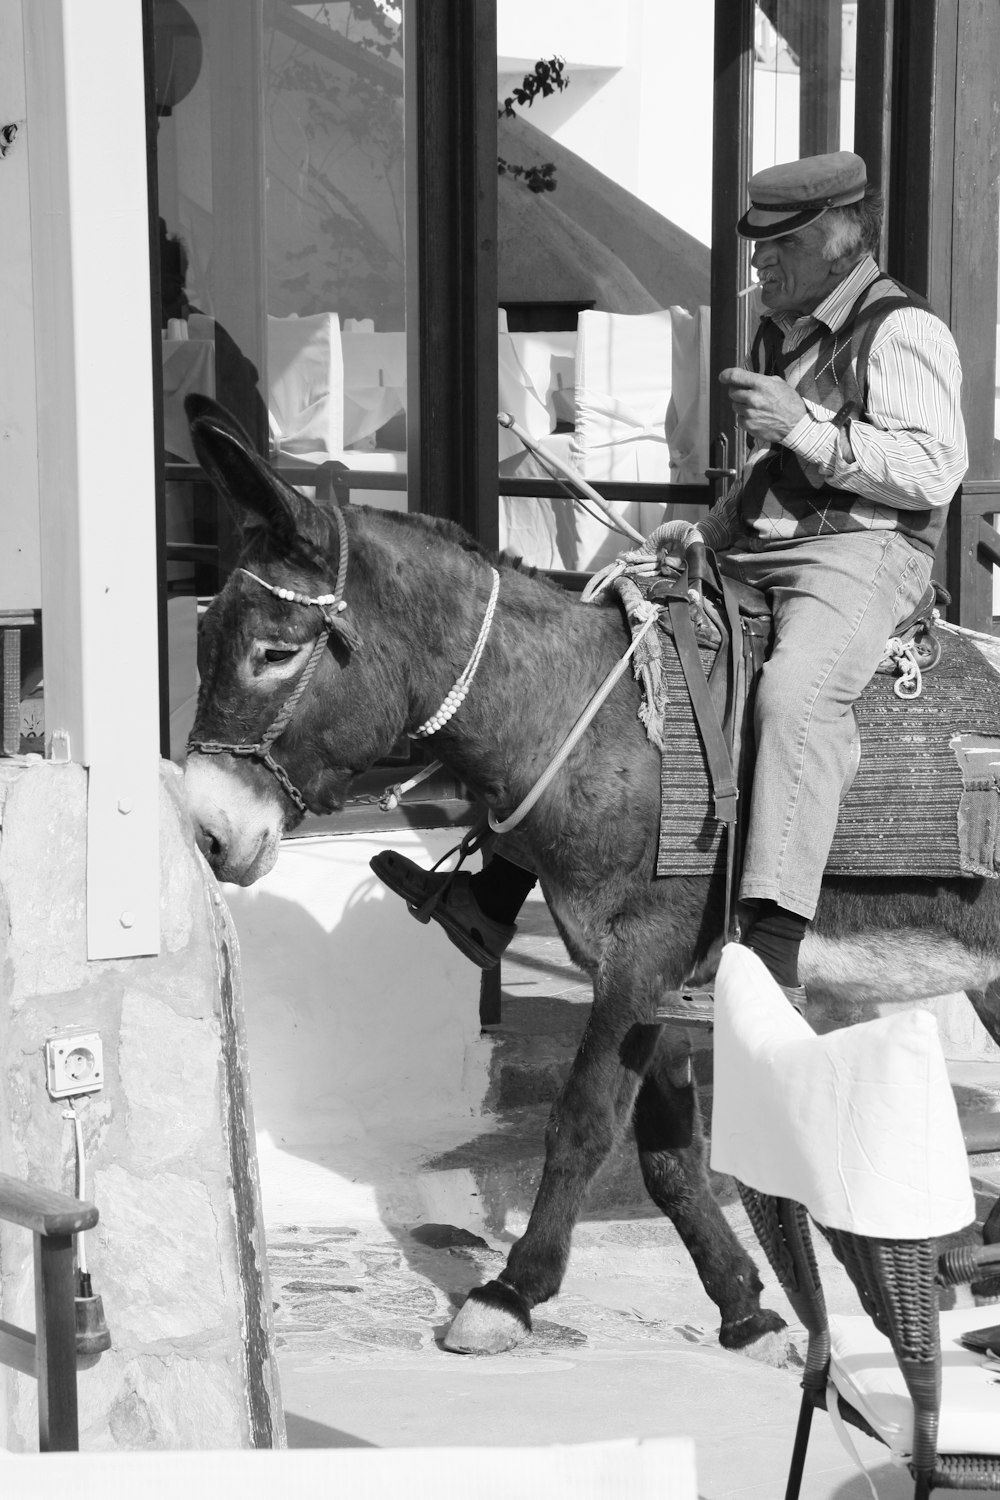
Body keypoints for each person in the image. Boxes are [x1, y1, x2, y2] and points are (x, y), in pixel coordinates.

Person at [371, 151, 967, 999]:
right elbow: (773, 477)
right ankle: (493, 894)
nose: (760, 266)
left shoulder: (905, 331)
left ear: (838, 237)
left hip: (865, 551)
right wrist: (697, 534)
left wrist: (803, 426)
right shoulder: (784, 331)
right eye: (759, 249)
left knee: (797, 695)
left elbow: (933, 469)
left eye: (777, 248)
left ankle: (773, 940)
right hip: (765, 546)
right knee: (602, 645)